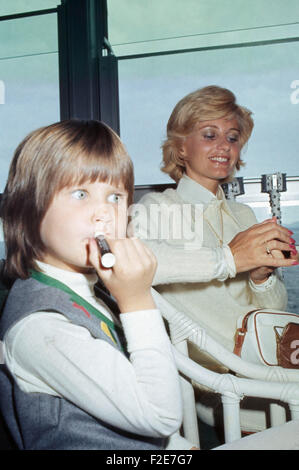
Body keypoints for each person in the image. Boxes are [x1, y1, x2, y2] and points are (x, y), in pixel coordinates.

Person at [0, 120, 185, 450]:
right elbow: (160, 414)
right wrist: (137, 299)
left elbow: (144, 381)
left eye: (115, 196)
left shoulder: (92, 286)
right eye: (80, 193)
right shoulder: (40, 326)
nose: (103, 213)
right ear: (29, 208)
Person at [131, 86, 298, 432]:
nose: (224, 146)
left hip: (267, 366)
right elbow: (141, 267)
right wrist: (230, 257)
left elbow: (273, 308)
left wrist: (262, 277)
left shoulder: (244, 214)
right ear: (181, 147)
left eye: (233, 138)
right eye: (210, 135)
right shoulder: (157, 210)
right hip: (219, 384)